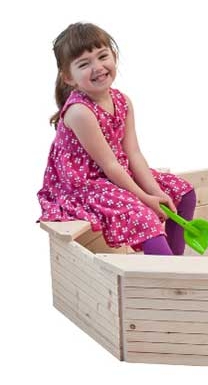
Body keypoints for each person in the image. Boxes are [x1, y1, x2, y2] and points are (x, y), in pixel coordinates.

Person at [38, 22, 196, 256]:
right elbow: (109, 165)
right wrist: (145, 198)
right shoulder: (80, 112)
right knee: (144, 217)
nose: (98, 67)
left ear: (114, 56)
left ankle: (175, 263)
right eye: (84, 64)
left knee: (183, 193)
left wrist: (156, 193)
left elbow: (133, 154)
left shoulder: (123, 101)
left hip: (117, 174)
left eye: (103, 56)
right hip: (86, 185)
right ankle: (166, 272)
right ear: (69, 78)